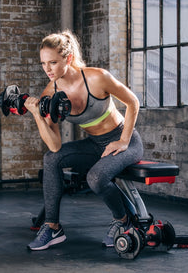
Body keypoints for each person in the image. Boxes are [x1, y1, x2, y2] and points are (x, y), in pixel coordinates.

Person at [24, 30, 143, 251]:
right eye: (43, 64)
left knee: (95, 177)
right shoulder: (50, 93)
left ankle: (122, 221)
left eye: (52, 62)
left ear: (68, 59)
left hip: (124, 141)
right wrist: (36, 115)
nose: (47, 69)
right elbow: (55, 145)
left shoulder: (97, 78)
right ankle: (52, 227)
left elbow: (133, 102)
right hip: (95, 145)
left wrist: (124, 140)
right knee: (51, 158)